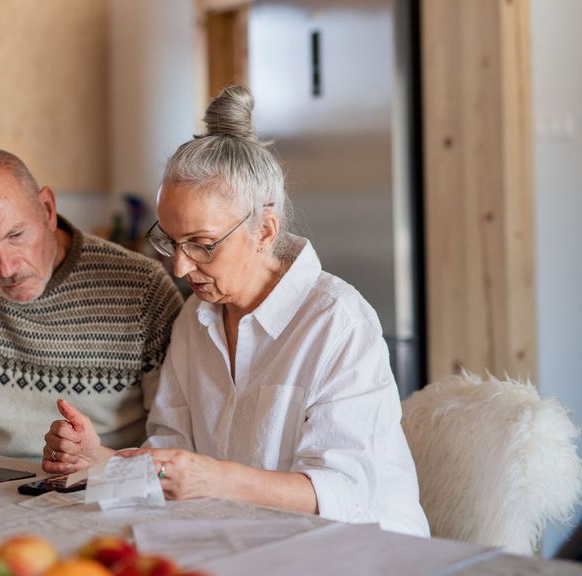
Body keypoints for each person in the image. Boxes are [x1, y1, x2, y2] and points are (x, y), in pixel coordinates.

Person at [41, 86, 430, 537]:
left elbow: (345, 493)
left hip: (365, 552)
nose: (182, 267)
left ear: (264, 231)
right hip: (247, 540)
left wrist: (215, 479)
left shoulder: (337, 322)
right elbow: (172, 460)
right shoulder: (196, 319)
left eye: (203, 246)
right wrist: (100, 461)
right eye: (169, 241)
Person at [0, 148, 183, 460]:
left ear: (48, 209)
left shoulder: (142, 286)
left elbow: (175, 441)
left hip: (101, 485)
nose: (7, 268)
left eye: (16, 235)